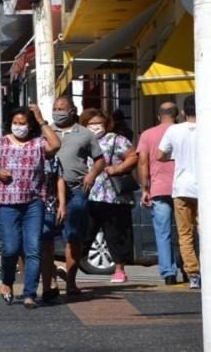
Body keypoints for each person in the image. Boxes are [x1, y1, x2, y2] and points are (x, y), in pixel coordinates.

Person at [0, 105, 60, 309]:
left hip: (33, 202)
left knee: (33, 248)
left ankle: (29, 294)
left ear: (30, 125)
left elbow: (55, 144)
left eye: (23, 123)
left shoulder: (38, 144)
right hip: (7, 203)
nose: (19, 127)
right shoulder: (1, 144)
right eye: (15, 123)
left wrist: (40, 118)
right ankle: (7, 282)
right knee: (11, 248)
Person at [51, 96, 105, 296]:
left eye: (62, 108)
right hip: (50, 191)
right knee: (45, 235)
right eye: (55, 108)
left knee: (73, 236)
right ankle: (51, 280)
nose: (57, 111)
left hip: (76, 190)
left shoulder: (84, 134)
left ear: (73, 110)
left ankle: (71, 281)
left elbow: (100, 160)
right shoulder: (46, 132)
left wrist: (92, 174)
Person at [81, 108, 138, 283]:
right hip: (87, 194)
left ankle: (119, 269)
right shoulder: (80, 140)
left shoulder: (116, 140)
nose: (95, 127)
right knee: (84, 233)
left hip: (112, 195)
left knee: (115, 233)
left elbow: (132, 156)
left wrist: (118, 168)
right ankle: (72, 267)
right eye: (91, 124)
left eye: (99, 123)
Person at [157, 94, 199, 289]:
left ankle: (193, 273)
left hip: (182, 188)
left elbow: (159, 155)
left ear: (183, 112)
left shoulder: (174, 130)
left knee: (185, 234)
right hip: (207, 189)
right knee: (207, 233)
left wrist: (172, 157)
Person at [136, 101, 179, 285]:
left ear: (158, 116)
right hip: (184, 188)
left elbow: (143, 162)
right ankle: (190, 268)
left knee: (163, 232)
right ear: (178, 115)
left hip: (158, 188)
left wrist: (145, 188)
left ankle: (168, 272)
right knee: (187, 231)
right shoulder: (183, 132)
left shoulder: (147, 135)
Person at [41, 153, 66, 303]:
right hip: (25, 203)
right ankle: (27, 286)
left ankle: (48, 285)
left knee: (46, 244)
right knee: (23, 247)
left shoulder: (53, 157)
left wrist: (62, 204)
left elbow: (59, 179)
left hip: (48, 204)